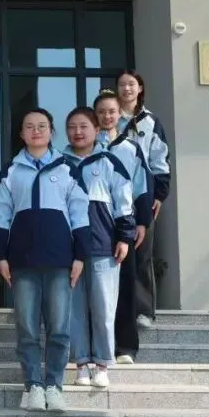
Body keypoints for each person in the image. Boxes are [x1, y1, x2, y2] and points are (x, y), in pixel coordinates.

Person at [0, 108, 89, 413]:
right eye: (30, 126)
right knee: (27, 328)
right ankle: (33, 384)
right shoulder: (11, 171)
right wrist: (0, 256)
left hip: (60, 260)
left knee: (59, 328)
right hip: (22, 262)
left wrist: (80, 255)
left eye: (42, 126)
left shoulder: (67, 169)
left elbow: (80, 214)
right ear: (22, 134)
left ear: (51, 132)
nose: (36, 131)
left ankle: (54, 386)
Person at [62, 108, 135, 389]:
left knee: (104, 307)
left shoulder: (109, 162)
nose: (78, 132)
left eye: (83, 126)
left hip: (103, 246)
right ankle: (81, 364)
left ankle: (103, 364)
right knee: (75, 309)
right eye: (72, 127)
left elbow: (123, 201)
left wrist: (124, 237)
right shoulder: (58, 164)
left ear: (96, 130)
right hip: (68, 249)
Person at [94, 89, 153, 365]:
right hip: (95, 227)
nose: (106, 116)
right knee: (95, 290)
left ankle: (126, 347)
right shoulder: (87, 147)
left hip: (123, 227)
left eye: (111, 111)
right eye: (101, 112)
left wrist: (142, 223)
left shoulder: (131, 149)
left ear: (120, 115)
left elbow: (142, 188)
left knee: (126, 286)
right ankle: (96, 346)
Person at [115, 70, 170, 330]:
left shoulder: (151, 122)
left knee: (143, 253)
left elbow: (160, 160)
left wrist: (159, 194)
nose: (126, 89)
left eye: (131, 84)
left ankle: (144, 311)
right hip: (113, 195)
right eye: (122, 84)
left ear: (140, 89)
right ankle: (117, 307)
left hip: (143, 195)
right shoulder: (109, 118)